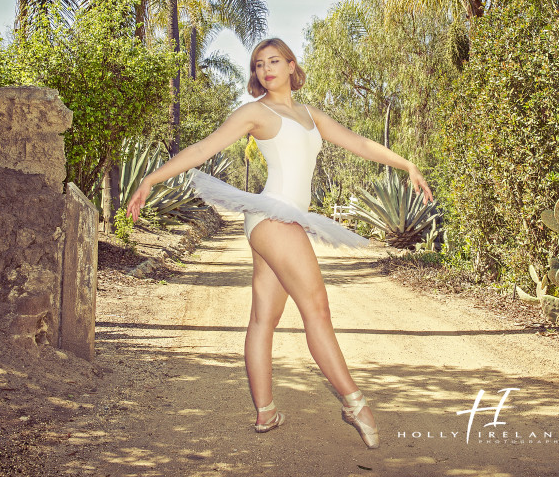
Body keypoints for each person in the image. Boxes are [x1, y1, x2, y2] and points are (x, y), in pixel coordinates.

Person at [126, 37, 433, 449]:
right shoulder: (256, 112)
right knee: (316, 307)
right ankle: (354, 402)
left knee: (263, 319)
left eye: (273, 61)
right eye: (258, 64)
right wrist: (150, 179)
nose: (266, 69)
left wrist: (406, 163)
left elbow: (358, 144)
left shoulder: (310, 115)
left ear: (291, 65)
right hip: (273, 215)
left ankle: (266, 412)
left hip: (281, 219)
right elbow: (203, 148)